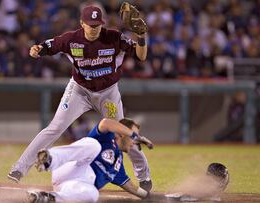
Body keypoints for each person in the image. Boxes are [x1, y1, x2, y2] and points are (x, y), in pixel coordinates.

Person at [8, 4, 152, 191]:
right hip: (79, 90)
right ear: (82, 23)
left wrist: (141, 37)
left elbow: (141, 56)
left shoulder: (113, 37)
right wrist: (37, 49)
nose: (94, 28)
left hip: (108, 92)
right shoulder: (71, 39)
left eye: (97, 25)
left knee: (124, 133)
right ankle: (19, 168)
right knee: (54, 128)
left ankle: (144, 176)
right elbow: (48, 46)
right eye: (90, 24)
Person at [27, 118, 153, 203]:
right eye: (133, 136)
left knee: (93, 194)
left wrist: (150, 197)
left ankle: (47, 198)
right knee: (93, 145)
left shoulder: (118, 165)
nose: (135, 141)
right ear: (121, 133)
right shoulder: (105, 137)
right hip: (68, 168)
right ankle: (49, 159)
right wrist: (134, 135)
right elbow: (106, 122)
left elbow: (131, 187)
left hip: (72, 186)